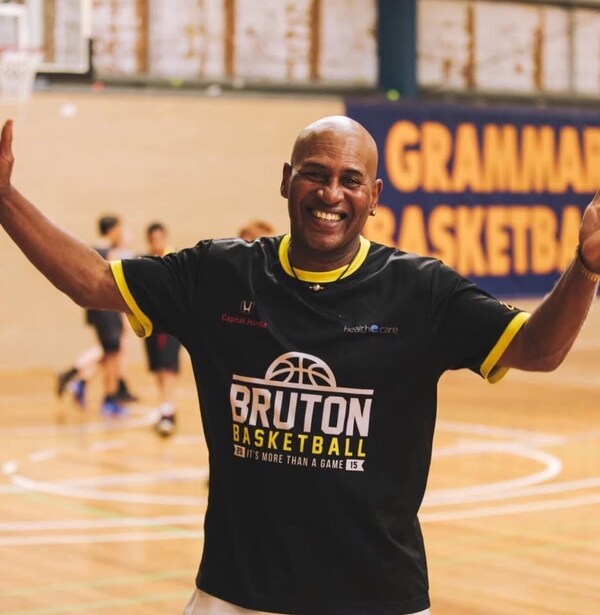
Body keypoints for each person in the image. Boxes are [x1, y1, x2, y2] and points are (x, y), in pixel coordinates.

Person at [1, 115, 599, 615]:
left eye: (350, 180)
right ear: (287, 180)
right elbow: (92, 281)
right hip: (236, 595)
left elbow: (538, 349)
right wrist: (5, 199)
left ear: (375, 196)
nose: (331, 193)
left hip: (377, 597)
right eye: (315, 173)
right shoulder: (218, 275)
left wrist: (587, 267)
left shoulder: (421, 292)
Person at [142, 222, 181, 437]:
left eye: (159, 238)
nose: (156, 242)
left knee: (168, 367)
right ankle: (167, 407)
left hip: (169, 324)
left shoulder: (173, 260)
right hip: (150, 323)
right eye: (152, 239)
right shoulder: (145, 262)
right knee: (158, 368)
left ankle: (167, 411)